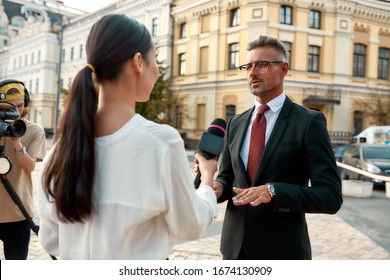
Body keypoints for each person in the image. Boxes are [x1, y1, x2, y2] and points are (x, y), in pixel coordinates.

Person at [37, 14, 218, 260]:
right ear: (138, 62)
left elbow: (51, 241)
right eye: (155, 58)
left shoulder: (58, 152)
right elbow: (190, 225)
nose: (157, 70)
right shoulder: (161, 143)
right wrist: (207, 180)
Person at [211, 35, 343, 260]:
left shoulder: (309, 122)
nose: (252, 72)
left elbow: (330, 196)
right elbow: (227, 177)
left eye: (262, 64)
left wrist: (274, 191)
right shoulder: (235, 123)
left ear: (284, 69)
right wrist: (217, 188)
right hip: (234, 250)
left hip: (282, 251)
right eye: (248, 66)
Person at [0, 80, 46, 259]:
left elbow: (29, 167)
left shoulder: (34, 131)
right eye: (10, 106)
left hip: (19, 215)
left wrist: (16, 140)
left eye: (20, 105)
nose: (16, 111)